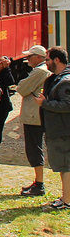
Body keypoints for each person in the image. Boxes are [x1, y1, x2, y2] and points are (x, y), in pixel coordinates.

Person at [18, 45, 52, 196]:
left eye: (30, 57)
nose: (27, 59)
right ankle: (38, 182)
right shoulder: (43, 70)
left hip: (34, 115)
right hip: (37, 114)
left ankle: (39, 184)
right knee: (34, 148)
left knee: (34, 148)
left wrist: (24, 85)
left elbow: (22, 88)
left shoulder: (39, 71)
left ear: (39, 57)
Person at [39, 49, 70, 210]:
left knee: (66, 166)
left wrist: (44, 104)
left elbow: (67, 105)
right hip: (59, 129)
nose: (46, 62)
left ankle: (67, 201)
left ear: (57, 60)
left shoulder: (65, 81)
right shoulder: (58, 79)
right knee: (63, 165)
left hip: (63, 130)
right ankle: (66, 196)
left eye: (47, 59)